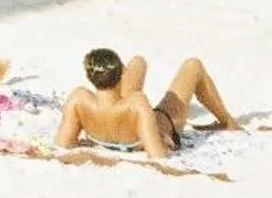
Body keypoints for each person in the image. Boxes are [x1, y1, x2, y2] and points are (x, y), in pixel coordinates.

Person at [55, 48, 240, 159]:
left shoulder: (78, 99)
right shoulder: (137, 102)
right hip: (145, 129)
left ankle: (124, 78)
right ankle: (228, 122)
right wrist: (159, 135)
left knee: (138, 62)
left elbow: (63, 143)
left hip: (105, 123)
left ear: (90, 76)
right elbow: (157, 155)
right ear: (121, 75)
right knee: (193, 65)